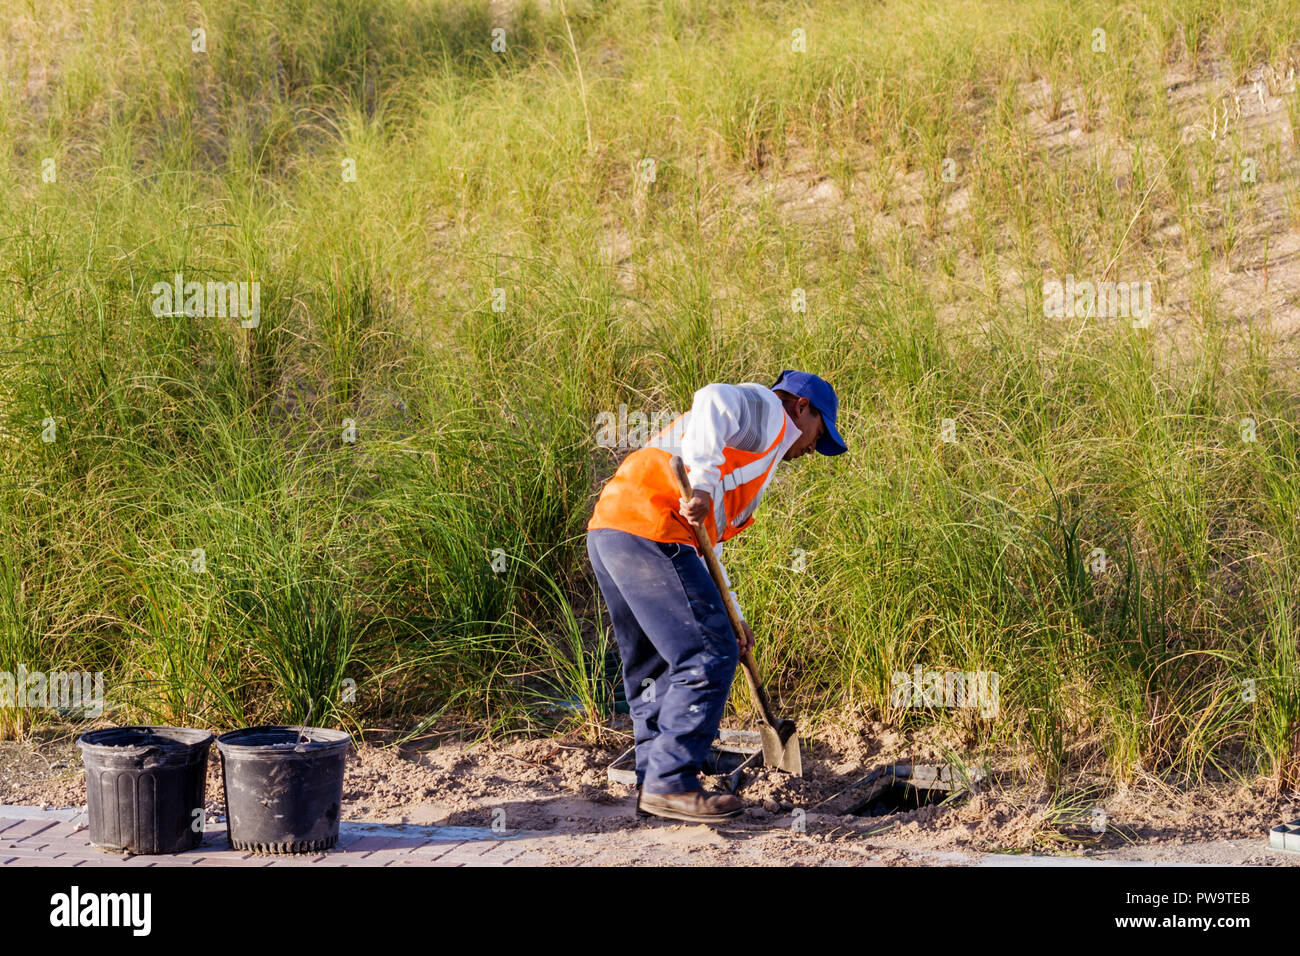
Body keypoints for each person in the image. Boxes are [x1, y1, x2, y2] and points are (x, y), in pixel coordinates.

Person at [586, 370, 847, 823]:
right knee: (708, 653)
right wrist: (702, 483)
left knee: (656, 665)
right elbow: (712, 399)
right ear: (802, 408)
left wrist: (733, 615)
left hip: (615, 528)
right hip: (653, 525)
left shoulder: (748, 461)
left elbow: (709, 549)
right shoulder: (771, 414)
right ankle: (672, 782)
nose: (810, 451)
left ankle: (655, 786)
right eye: (818, 436)